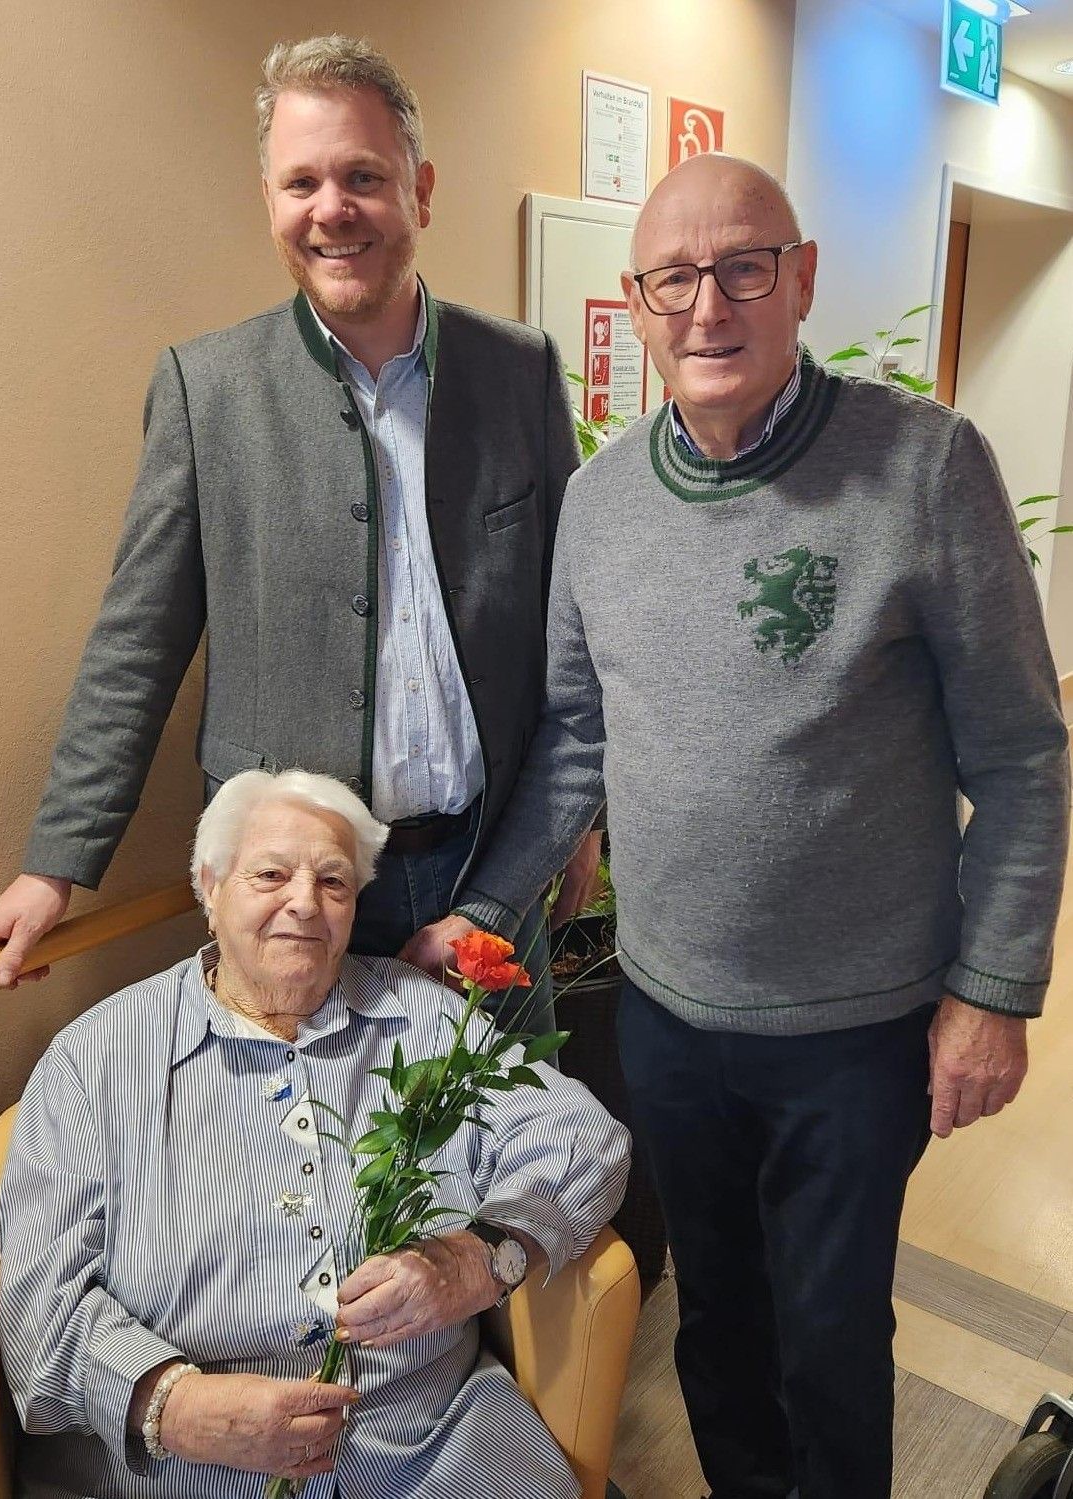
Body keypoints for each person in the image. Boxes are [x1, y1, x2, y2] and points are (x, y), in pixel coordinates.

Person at [403, 153, 1072, 1499]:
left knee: (826, 1334)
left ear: (800, 277)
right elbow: (578, 739)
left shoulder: (924, 467)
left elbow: (1019, 750)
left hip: (855, 1028)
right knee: (711, 1317)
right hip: (666, 1015)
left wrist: (988, 989)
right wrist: (486, 906)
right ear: (636, 304)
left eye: (742, 267)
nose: (708, 305)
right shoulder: (601, 502)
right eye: (673, 278)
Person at [0, 35, 598, 1028]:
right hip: (287, 902)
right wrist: (53, 868)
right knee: (303, 1170)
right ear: (269, 200)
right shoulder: (207, 392)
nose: (331, 209)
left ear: (419, 189)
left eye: (363, 177)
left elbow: (570, 641)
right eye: (301, 182)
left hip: (486, 871)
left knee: (502, 1166)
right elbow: (137, 643)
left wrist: (565, 834)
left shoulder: (518, 373)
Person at [0, 768, 630, 1499]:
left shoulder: (422, 1019)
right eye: (271, 873)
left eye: (333, 882)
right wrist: (173, 1405)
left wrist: (481, 1256)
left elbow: (582, 1136)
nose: (304, 902)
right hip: (185, 1468)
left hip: (431, 1447)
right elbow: (39, 1308)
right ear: (210, 887)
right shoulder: (94, 1059)